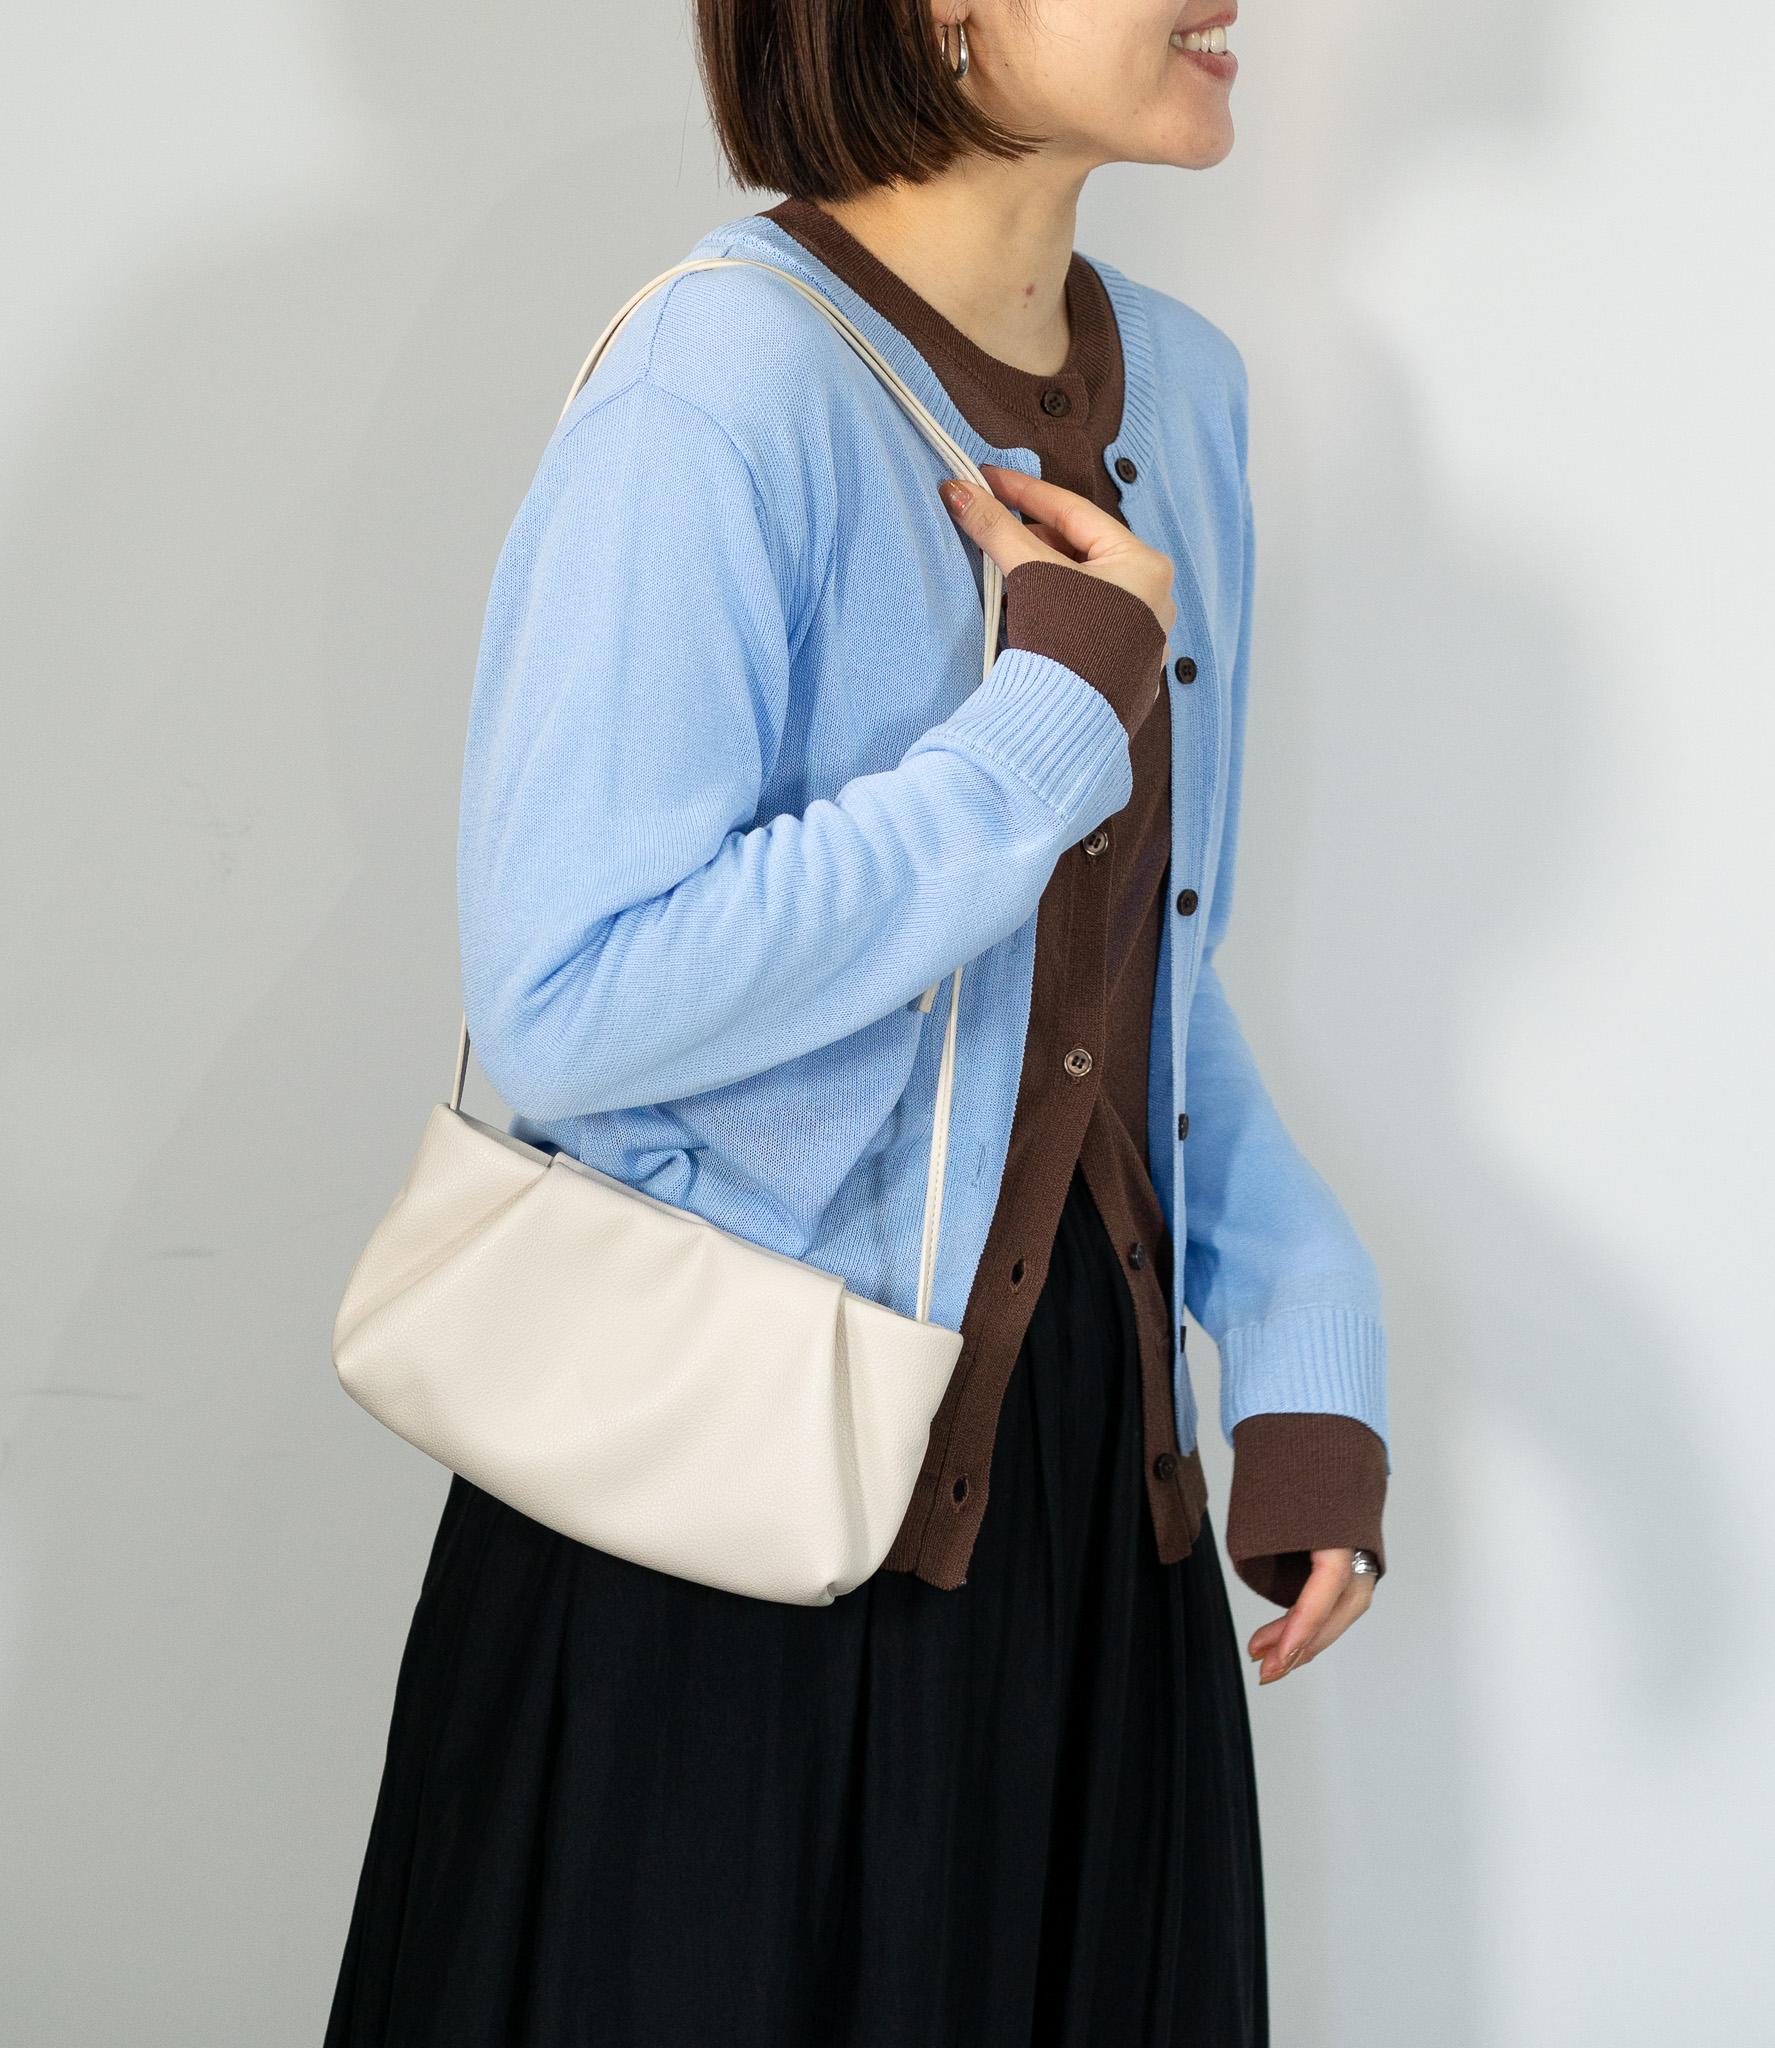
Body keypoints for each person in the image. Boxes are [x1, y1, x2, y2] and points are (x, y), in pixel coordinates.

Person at [325, 5, 1390, 2042]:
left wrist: (1301, 1334)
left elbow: (1135, 981)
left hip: (1094, 1512)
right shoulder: (720, 382)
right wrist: (1044, 725)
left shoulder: (1187, 394)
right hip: (728, 1529)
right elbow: (570, 1000)